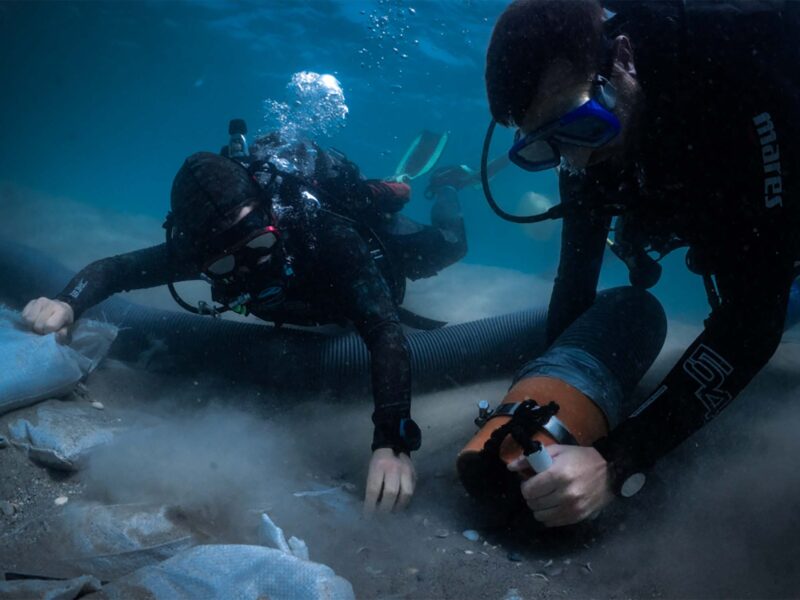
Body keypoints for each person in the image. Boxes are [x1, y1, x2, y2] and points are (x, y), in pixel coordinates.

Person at [472, 0, 800, 527]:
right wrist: (547, 396)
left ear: (621, 61)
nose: (574, 160)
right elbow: (574, 282)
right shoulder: (583, 118)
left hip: (775, 182)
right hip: (702, 187)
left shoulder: (740, 66)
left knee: (775, 289)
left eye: (576, 130)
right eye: (547, 145)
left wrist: (617, 459)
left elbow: (752, 322)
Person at [21, 131, 468, 514]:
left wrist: (392, 441)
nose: (253, 268)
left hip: (380, 250)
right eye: (226, 263)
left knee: (451, 245)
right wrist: (67, 303)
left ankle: (440, 187)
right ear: (201, 256)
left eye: (258, 243)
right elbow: (114, 270)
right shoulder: (200, 249)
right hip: (315, 299)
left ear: (272, 216)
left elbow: (384, 331)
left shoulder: (325, 232)